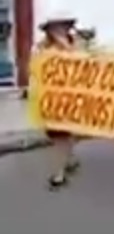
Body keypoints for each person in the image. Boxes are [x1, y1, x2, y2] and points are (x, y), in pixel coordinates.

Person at [37, 12, 81, 190]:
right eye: (55, 27)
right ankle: (65, 165)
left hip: (70, 98)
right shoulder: (43, 46)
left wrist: (66, 45)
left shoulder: (74, 44)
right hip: (51, 98)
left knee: (64, 135)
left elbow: (81, 64)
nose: (59, 30)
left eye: (63, 26)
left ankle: (60, 172)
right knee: (58, 137)